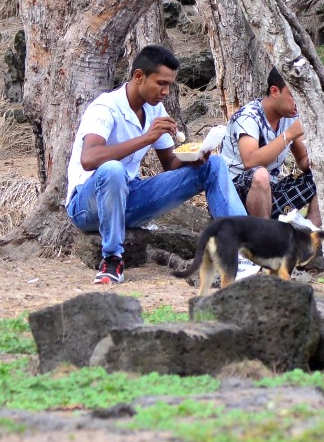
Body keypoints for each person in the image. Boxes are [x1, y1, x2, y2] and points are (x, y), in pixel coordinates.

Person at [66, 44, 248, 285]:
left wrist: (196, 158)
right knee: (112, 169)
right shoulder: (105, 107)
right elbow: (89, 159)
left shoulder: (154, 109)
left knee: (213, 164)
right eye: (161, 83)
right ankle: (112, 260)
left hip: (129, 198)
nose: (165, 91)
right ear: (139, 76)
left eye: (170, 85)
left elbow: (170, 164)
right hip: (87, 205)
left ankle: (241, 252)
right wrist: (146, 138)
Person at [220, 70, 318, 223]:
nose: (298, 103)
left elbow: (303, 160)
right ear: (274, 91)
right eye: (293, 95)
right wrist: (289, 135)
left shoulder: (290, 117)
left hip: (271, 191)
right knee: (260, 175)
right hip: (234, 193)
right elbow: (250, 161)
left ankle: (311, 234)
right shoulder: (249, 116)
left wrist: (318, 160)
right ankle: (263, 236)